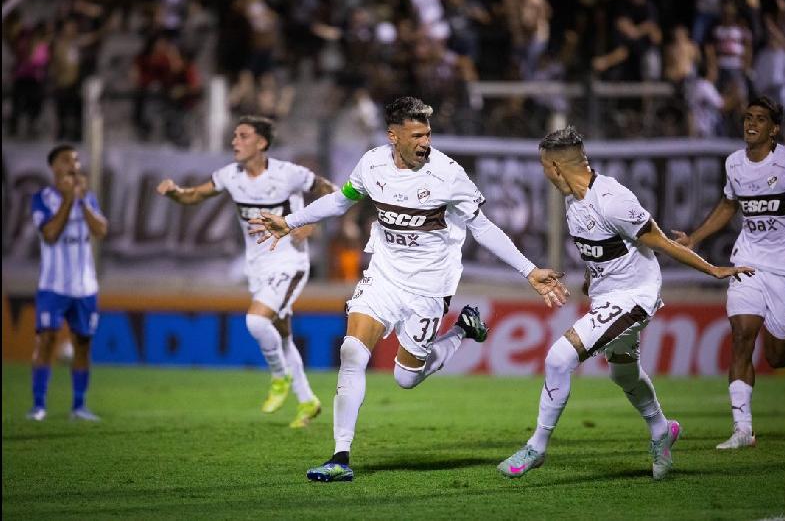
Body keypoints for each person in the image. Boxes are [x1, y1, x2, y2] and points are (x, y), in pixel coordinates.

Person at [248, 96, 570, 482]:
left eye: (428, 134)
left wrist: (529, 270)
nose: (425, 142)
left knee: (406, 378)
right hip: (384, 276)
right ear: (393, 136)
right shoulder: (372, 164)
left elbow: (482, 227)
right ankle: (340, 457)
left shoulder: (447, 174)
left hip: (429, 287)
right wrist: (290, 221)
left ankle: (462, 331)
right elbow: (339, 201)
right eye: (416, 134)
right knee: (351, 352)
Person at [497, 126, 754, 480]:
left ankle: (537, 446)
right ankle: (661, 429)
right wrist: (591, 279)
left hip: (635, 298)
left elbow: (661, 242)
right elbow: (604, 250)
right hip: (607, 298)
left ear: (556, 167)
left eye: (544, 167)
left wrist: (712, 269)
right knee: (624, 373)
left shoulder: (613, 199)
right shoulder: (573, 200)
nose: (544, 175)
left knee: (559, 357)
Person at [156, 115, 335, 428]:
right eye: (234, 136)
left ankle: (279, 377)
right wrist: (174, 192)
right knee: (282, 335)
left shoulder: (288, 174)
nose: (234, 141)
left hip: (289, 263)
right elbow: (195, 195)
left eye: (242, 136)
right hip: (257, 266)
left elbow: (331, 190)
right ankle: (307, 401)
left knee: (255, 321)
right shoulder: (230, 176)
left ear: (262, 143)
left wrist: (310, 221)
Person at [672, 96, 785, 449]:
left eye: (760, 119)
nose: (750, 124)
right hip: (748, 260)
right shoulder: (734, 164)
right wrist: (693, 239)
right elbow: (729, 204)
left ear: (774, 129)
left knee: (777, 355)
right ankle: (743, 430)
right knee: (742, 336)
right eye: (747, 118)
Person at [27, 145, 108, 421]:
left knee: (83, 343)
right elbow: (49, 234)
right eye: (66, 160)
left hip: (85, 287)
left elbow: (100, 230)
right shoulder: (42, 199)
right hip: (53, 285)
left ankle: (79, 406)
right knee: (47, 340)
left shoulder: (88, 198)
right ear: (54, 167)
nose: (73, 165)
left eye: (75, 160)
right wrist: (66, 200)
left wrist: (81, 201)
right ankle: (39, 406)